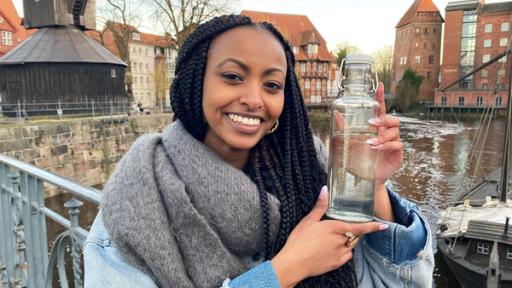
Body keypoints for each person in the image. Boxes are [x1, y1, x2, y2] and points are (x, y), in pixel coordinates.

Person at [84, 15, 433, 288]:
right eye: (233, 77)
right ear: (196, 81)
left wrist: (369, 185)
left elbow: (394, 283)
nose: (254, 99)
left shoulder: (312, 176)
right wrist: (286, 269)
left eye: (271, 85)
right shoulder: (139, 197)